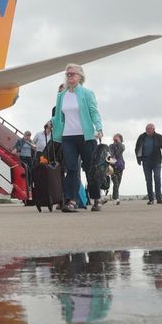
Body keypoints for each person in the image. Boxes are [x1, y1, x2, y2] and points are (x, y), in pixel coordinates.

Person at [50, 63, 104, 212]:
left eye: (72, 74)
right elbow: (58, 116)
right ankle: (71, 200)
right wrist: (52, 124)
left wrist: (99, 127)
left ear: (80, 76)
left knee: (90, 169)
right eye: (67, 74)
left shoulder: (87, 93)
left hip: (86, 137)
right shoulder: (61, 95)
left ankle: (96, 198)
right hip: (68, 137)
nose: (69, 77)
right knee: (71, 169)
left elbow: (94, 112)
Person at [134, 123, 162, 204]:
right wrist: (138, 159)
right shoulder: (142, 137)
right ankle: (151, 199)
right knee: (148, 180)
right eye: (146, 129)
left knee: (157, 178)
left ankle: (159, 199)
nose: (147, 130)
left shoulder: (159, 137)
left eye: (149, 129)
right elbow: (137, 148)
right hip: (146, 161)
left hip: (156, 161)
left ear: (153, 129)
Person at [107, 133, 126, 202]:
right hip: (112, 167)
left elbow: (121, 149)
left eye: (116, 138)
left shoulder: (122, 145)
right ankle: (116, 198)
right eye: (114, 138)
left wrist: (119, 142)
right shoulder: (111, 146)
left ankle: (114, 196)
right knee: (115, 182)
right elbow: (111, 154)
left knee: (118, 182)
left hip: (120, 166)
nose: (114, 140)